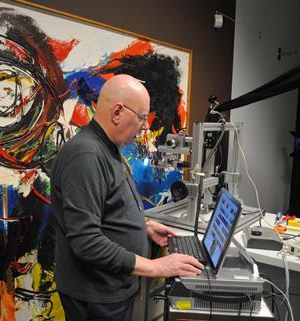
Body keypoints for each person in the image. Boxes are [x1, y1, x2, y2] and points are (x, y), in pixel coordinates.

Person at [50, 74, 204, 321]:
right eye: (142, 117)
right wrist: (156, 267)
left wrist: (145, 227)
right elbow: (87, 242)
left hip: (110, 289)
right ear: (118, 112)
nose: (145, 126)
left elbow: (108, 208)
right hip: (95, 296)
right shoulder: (86, 155)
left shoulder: (107, 147)